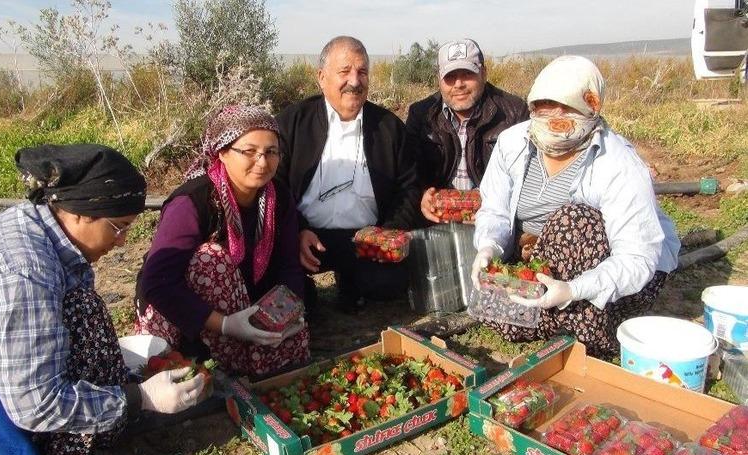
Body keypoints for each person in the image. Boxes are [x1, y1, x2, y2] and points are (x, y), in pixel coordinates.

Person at [0, 144, 208, 455]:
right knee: (73, 318)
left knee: (78, 308)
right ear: (80, 212)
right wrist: (137, 398)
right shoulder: (26, 272)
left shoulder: (36, 225)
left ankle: (82, 439)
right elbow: (34, 403)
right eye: (119, 226)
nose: (123, 241)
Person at [471, 56, 681, 359]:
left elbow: (637, 257)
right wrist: (488, 248)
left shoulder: (618, 162)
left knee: (574, 218)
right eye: (545, 106)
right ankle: (558, 315)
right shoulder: (511, 143)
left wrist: (574, 289)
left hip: (613, 272)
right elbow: (495, 209)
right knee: (494, 311)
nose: (556, 117)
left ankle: (584, 319)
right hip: (544, 259)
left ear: (591, 109)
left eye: (568, 107)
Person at [135, 105, 309, 378]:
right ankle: (207, 351)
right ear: (223, 153)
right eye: (249, 151)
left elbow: (288, 266)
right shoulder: (193, 201)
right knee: (210, 258)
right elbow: (157, 282)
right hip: (186, 309)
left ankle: (243, 353)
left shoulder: (279, 199)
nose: (262, 162)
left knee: (287, 350)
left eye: (271, 152)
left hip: (246, 304)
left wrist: (287, 311)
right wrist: (226, 325)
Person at [275, 35, 420, 312]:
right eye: (344, 71)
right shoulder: (292, 122)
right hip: (307, 236)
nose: (354, 81)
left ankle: (352, 279)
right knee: (296, 301)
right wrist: (296, 230)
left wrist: (385, 234)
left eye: (362, 72)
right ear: (321, 77)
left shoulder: (389, 127)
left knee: (389, 285)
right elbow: (274, 185)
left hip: (366, 239)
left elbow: (409, 188)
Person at [406, 39, 528, 224]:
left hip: (494, 218)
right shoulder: (421, 113)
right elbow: (408, 170)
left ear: (484, 73)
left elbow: (526, 176)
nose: (458, 84)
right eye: (450, 76)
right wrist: (422, 195)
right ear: (439, 79)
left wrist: (491, 204)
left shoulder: (514, 112)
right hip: (438, 219)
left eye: (467, 74)